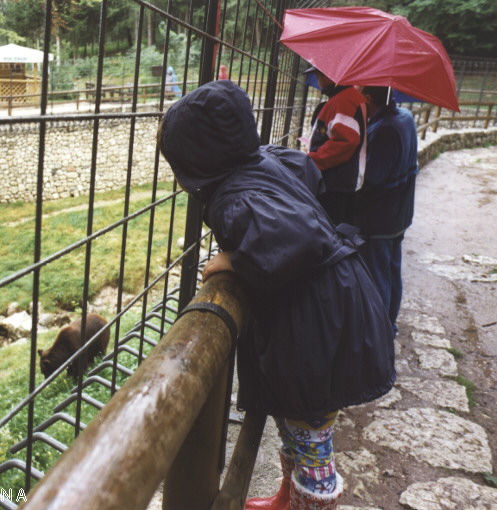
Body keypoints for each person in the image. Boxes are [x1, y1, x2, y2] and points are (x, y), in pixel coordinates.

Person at [158, 80, 395, 510]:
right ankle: (288, 497)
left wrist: (235, 259)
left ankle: (313, 498)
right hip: (325, 312)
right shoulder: (266, 161)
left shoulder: (236, 197)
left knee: (311, 434)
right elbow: (307, 172)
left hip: (320, 325)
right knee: (297, 421)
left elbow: (299, 239)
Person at [356, 86, 418, 335]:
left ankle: (378, 331)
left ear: (368, 98)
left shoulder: (384, 129)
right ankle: (388, 322)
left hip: (382, 215)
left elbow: (374, 178)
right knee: (391, 270)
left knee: (378, 274)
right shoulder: (405, 117)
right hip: (400, 212)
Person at [303, 67, 368, 226]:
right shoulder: (346, 97)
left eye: (320, 75)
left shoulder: (344, 100)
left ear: (333, 75)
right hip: (340, 181)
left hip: (335, 183)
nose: (318, 80)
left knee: (329, 228)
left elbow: (345, 142)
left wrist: (312, 160)